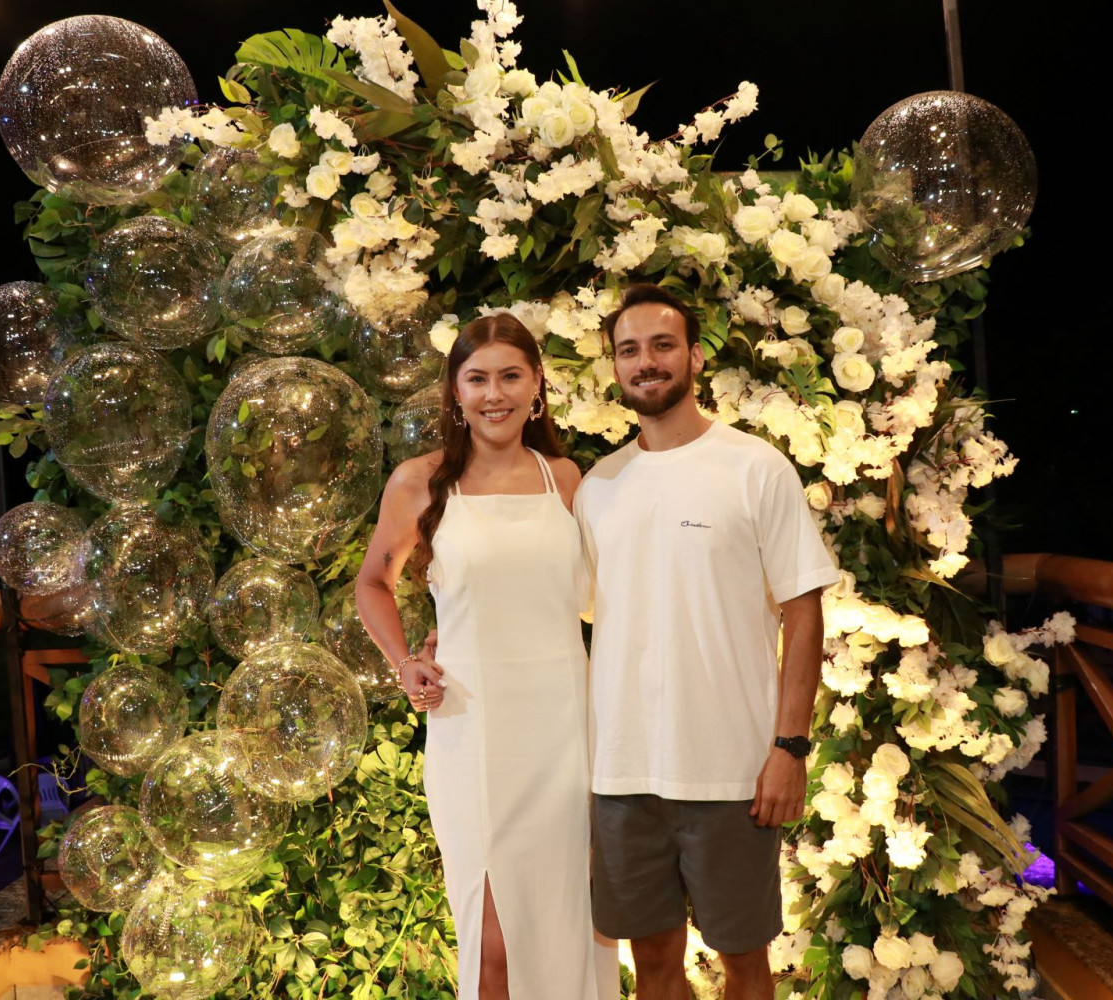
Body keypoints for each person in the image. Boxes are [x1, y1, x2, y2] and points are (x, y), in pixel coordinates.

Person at [574, 283, 838, 1000]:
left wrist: (789, 748)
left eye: (663, 345)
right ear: (615, 366)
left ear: (694, 356)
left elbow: (803, 612)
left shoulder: (755, 467)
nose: (646, 361)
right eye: (629, 349)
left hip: (732, 774)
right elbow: (568, 613)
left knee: (745, 966)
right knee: (653, 965)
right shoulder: (599, 486)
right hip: (623, 773)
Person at [355, 313, 617, 1000]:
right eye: (477, 378)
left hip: (566, 729)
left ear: (536, 386)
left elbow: (603, 600)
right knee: (492, 939)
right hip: (470, 728)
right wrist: (406, 661)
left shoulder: (566, 479)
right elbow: (373, 582)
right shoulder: (419, 482)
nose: (494, 394)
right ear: (455, 390)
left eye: (510, 376)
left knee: (570, 920)